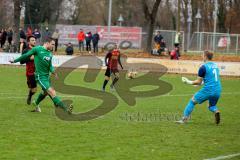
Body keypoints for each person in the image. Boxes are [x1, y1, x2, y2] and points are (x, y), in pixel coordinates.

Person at [9, 38, 73, 114]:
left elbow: (50, 66)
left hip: (46, 77)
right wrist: (14, 61)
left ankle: (36, 102)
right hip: (40, 77)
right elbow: (25, 55)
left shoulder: (49, 53)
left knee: (45, 92)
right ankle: (66, 109)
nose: (53, 46)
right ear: (47, 43)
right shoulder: (37, 49)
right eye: (52, 44)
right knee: (52, 92)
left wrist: (53, 72)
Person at [176, 51, 222, 125]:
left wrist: (188, 82)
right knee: (212, 105)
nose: (202, 56)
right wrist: (200, 83)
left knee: (192, 101)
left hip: (208, 90)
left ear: (205, 56)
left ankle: (183, 120)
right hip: (218, 89)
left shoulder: (203, 67)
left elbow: (198, 81)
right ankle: (216, 111)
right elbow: (210, 78)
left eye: (203, 55)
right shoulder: (215, 66)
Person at [20, 36, 37, 105]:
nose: (34, 41)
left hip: (39, 72)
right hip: (30, 73)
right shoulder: (26, 50)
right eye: (32, 40)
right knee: (34, 90)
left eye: (35, 40)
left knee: (47, 88)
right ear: (29, 42)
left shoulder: (37, 49)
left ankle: (56, 102)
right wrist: (30, 58)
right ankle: (29, 96)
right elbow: (21, 61)